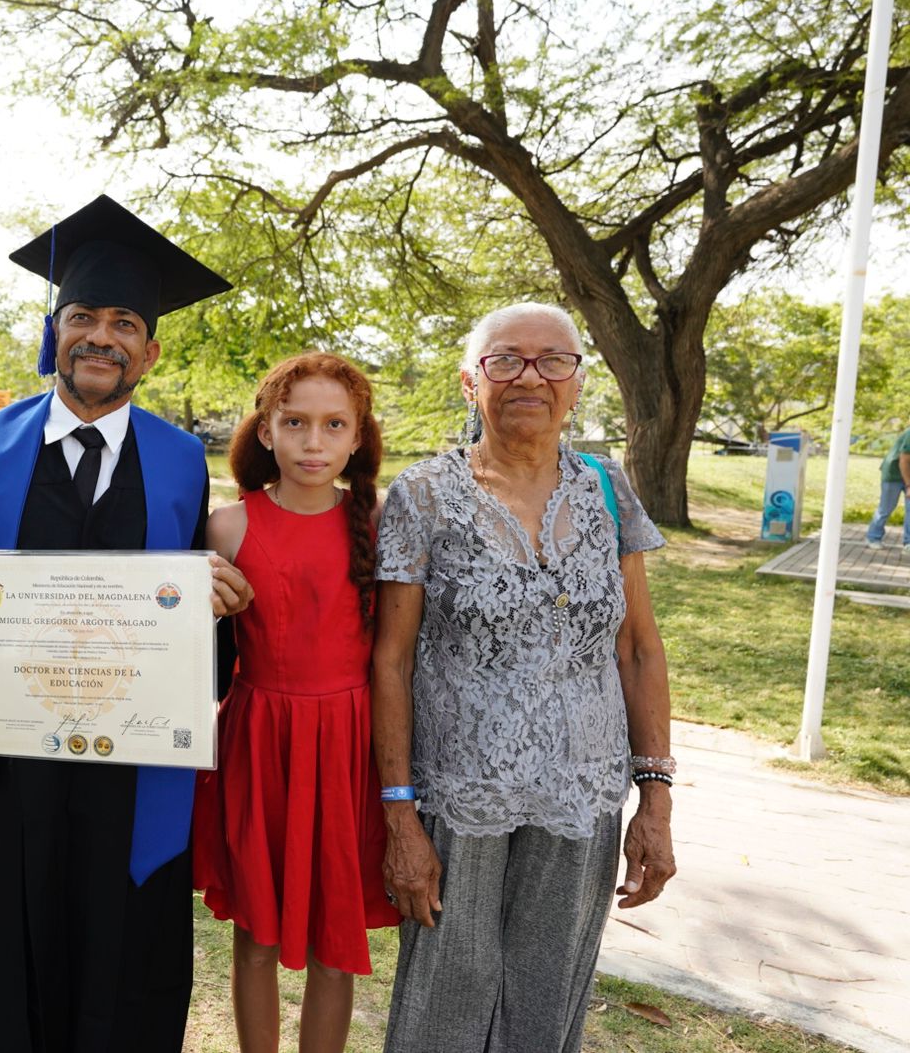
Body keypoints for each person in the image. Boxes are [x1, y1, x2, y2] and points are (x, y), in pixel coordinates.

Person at [0, 194, 254, 1053]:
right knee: (16, 946)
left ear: (151, 347)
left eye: (123, 322)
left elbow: (190, 616)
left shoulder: (184, 460)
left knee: (128, 955)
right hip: (16, 756)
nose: (100, 337)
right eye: (81, 317)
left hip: (137, 761)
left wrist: (218, 605)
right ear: (54, 329)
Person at [373, 302, 677, 1053]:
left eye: (553, 361)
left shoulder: (608, 488)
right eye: (505, 360)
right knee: (445, 1005)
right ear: (470, 380)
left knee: (547, 1003)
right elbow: (392, 659)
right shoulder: (422, 494)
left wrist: (656, 800)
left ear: (577, 382)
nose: (530, 377)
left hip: (583, 795)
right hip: (458, 795)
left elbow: (638, 648)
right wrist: (399, 817)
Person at [191, 352, 400, 1053]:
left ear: (357, 436)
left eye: (333, 425)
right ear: (266, 431)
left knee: (333, 944)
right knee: (255, 935)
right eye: (295, 423)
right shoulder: (228, 527)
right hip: (259, 741)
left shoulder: (380, 520)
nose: (314, 442)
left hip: (347, 745)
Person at [866, 424, 910, 551]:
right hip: (894, 472)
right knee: (886, 507)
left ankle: (908, 543)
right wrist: (909, 485)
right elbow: (904, 460)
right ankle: (873, 537)